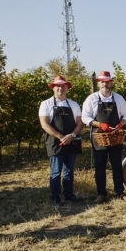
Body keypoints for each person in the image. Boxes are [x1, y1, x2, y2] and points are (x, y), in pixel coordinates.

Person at [82, 70, 126, 203]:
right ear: (98, 83)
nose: (105, 84)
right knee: (100, 166)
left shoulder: (118, 98)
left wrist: (121, 124)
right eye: (102, 82)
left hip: (115, 137)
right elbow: (85, 117)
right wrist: (99, 124)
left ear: (111, 83)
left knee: (116, 165)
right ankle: (101, 193)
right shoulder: (92, 99)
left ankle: (119, 192)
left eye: (107, 82)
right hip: (99, 139)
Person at [39, 75, 83, 207]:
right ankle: (55, 197)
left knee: (69, 170)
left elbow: (79, 123)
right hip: (55, 142)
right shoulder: (46, 104)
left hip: (71, 141)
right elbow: (45, 124)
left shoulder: (74, 105)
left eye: (63, 86)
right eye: (57, 86)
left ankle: (68, 194)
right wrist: (60, 136)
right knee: (56, 171)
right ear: (53, 88)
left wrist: (72, 135)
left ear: (67, 88)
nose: (60, 88)